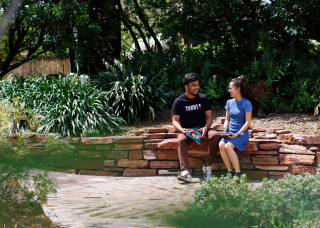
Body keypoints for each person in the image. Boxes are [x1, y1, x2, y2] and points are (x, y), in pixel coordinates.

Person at [171, 73, 221, 182]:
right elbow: (175, 121)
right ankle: (185, 173)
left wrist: (206, 127)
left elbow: (209, 117)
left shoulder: (203, 98)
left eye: (197, 84)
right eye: (193, 85)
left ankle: (207, 166)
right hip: (187, 131)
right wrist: (181, 130)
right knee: (181, 140)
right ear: (186, 87)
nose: (197, 87)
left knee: (216, 135)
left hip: (202, 129)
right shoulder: (178, 101)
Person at [219, 75, 252, 177]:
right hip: (230, 132)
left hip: (241, 134)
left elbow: (248, 123)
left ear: (238, 89)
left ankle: (238, 172)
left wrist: (237, 134)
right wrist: (225, 131)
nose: (229, 90)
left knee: (228, 146)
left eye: (231, 88)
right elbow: (227, 119)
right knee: (221, 145)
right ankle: (230, 171)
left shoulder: (246, 103)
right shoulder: (229, 102)